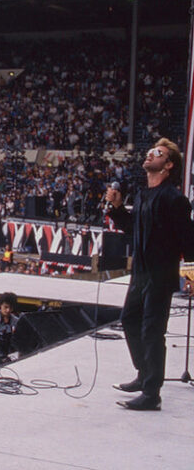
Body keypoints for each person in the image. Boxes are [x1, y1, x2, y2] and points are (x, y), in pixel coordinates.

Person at [107, 138, 194, 411]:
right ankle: (144, 373)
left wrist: (190, 271)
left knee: (152, 331)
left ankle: (152, 392)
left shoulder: (175, 199)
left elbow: (188, 240)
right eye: (150, 151)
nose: (150, 154)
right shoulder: (144, 194)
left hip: (160, 273)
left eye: (158, 153)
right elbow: (134, 230)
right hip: (141, 273)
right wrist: (119, 208)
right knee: (129, 320)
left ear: (168, 165)